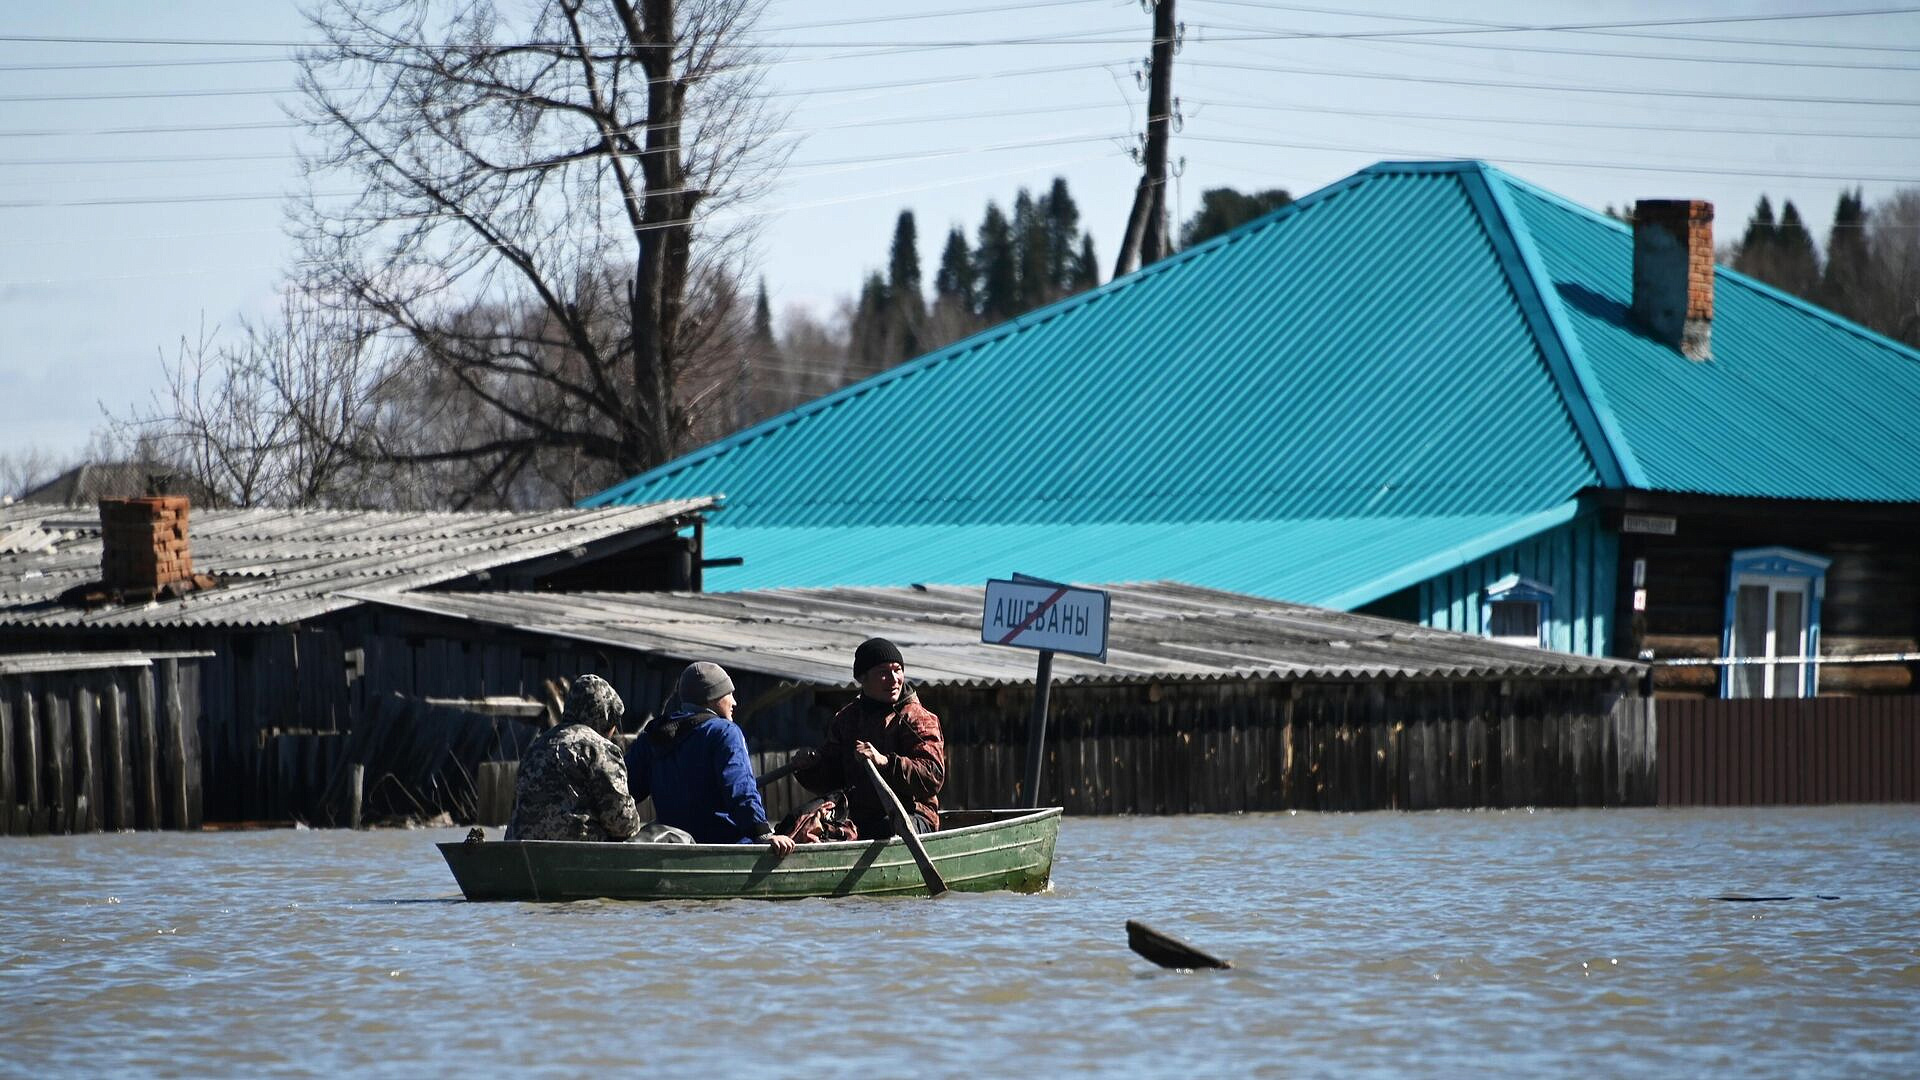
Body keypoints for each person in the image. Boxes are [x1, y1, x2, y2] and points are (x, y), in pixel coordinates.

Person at [625, 661, 796, 856]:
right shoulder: (724, 732)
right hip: (725, 847)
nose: (734, 702)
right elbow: (740, 789)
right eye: (729, 694)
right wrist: (763, 833)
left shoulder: (653, 736)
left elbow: (625, 790)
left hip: (673, 848)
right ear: (713, 698)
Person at [792, 637, 945, 838]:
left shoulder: (917, 718)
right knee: (801, 825)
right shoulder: (847, 719)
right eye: (883, 673)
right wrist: (809, 767)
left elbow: (932, 776)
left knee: (883, 830)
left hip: (912, 816)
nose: (894, 679)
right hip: (858, 818)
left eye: (897, 670)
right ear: (863, 678)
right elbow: (832, 779)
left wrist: (885, 762)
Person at [504, 674, 643, 842]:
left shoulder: (537, 745)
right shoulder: (599, 749)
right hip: (575, 855)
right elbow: (622, 824)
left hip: (522, 851)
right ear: (606, 716)